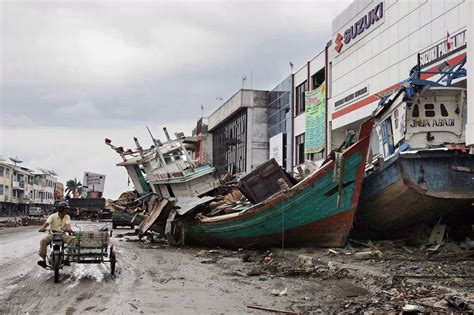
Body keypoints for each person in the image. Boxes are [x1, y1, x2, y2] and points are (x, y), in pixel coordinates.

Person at [37, 201, 77, 268]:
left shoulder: (67, 216)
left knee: (73, 239)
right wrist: (42, 228)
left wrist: (69, 229)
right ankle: (43, 260)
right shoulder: (53, 216)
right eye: (66, 209)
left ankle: (67, 258)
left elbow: (68, 224)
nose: (67, 210)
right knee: (43, 241)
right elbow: (47, 223)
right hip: (52, 234)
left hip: (62, 234)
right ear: (61, 209)